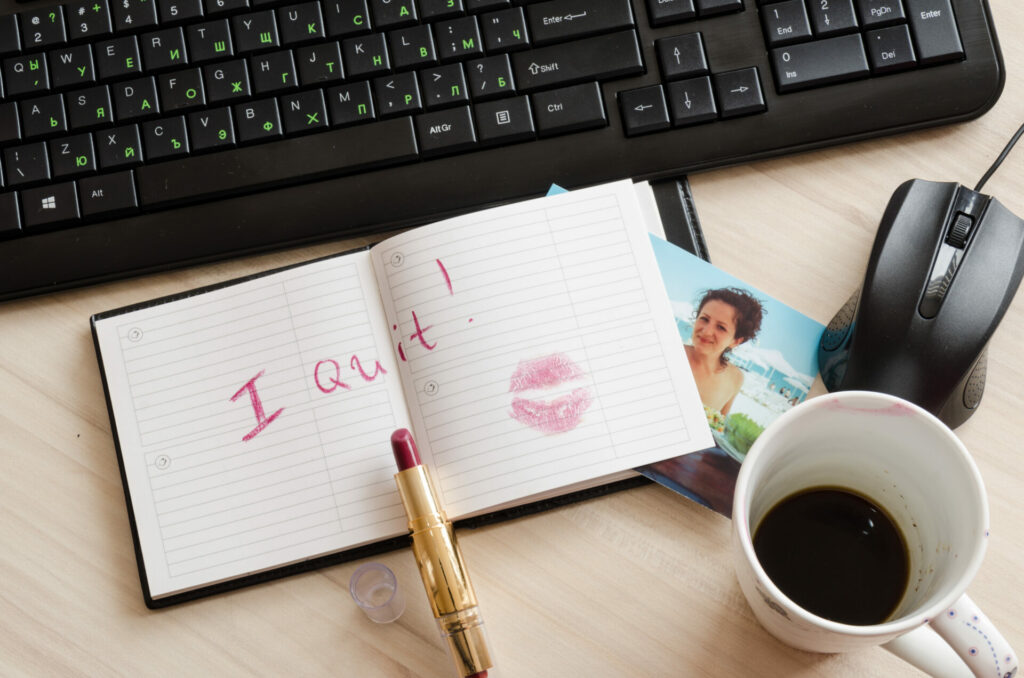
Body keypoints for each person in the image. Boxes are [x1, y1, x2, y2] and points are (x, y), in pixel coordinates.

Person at [686, 287, 764, 417]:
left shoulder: (735, 378)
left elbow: (718, 425)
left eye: (721, 327)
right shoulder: (671, 354)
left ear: (736, 341)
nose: (706, 331)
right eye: (704, 319)